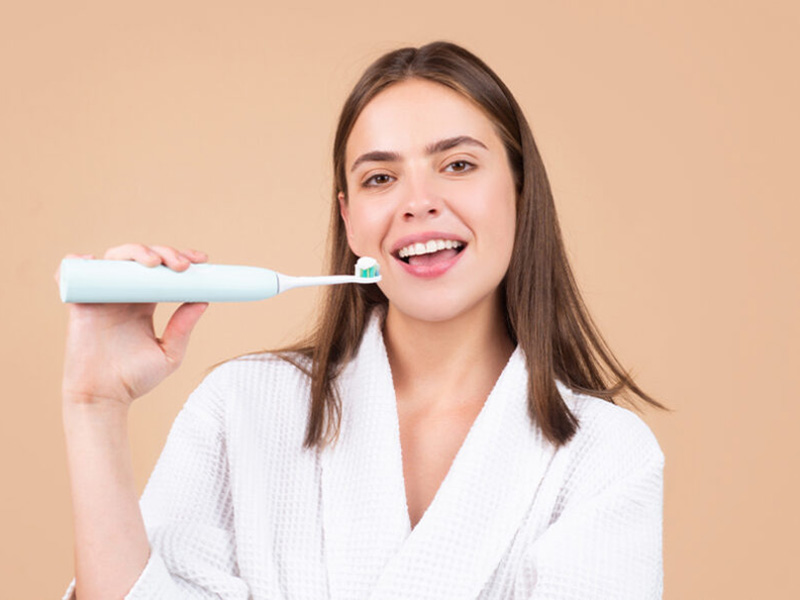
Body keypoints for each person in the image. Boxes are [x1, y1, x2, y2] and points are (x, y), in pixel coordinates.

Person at [59, 41, 665, 600]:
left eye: (457, 165)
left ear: (520, 191)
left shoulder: (606, 455)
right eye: (380, 177)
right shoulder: (240, 407)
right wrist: (94, 406)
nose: (418, 201)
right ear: (350, 222)